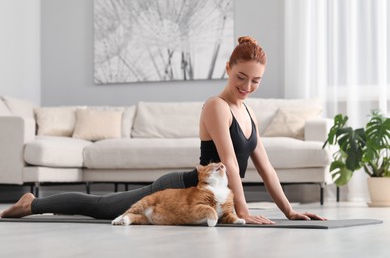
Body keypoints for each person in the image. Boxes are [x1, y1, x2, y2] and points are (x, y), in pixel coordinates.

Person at [0, 36, 325, 224]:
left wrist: (291, 210)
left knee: (104, 207)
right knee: (102, 208)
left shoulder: (249, 111)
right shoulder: (216, 106)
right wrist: (243, 213)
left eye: (255, 81)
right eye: (241, 77)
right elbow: (230, 163)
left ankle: (34, 202)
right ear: (228, 68)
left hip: (210, 198)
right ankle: (33, 202)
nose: (247, 86)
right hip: (179, 188)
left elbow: (266, 168)